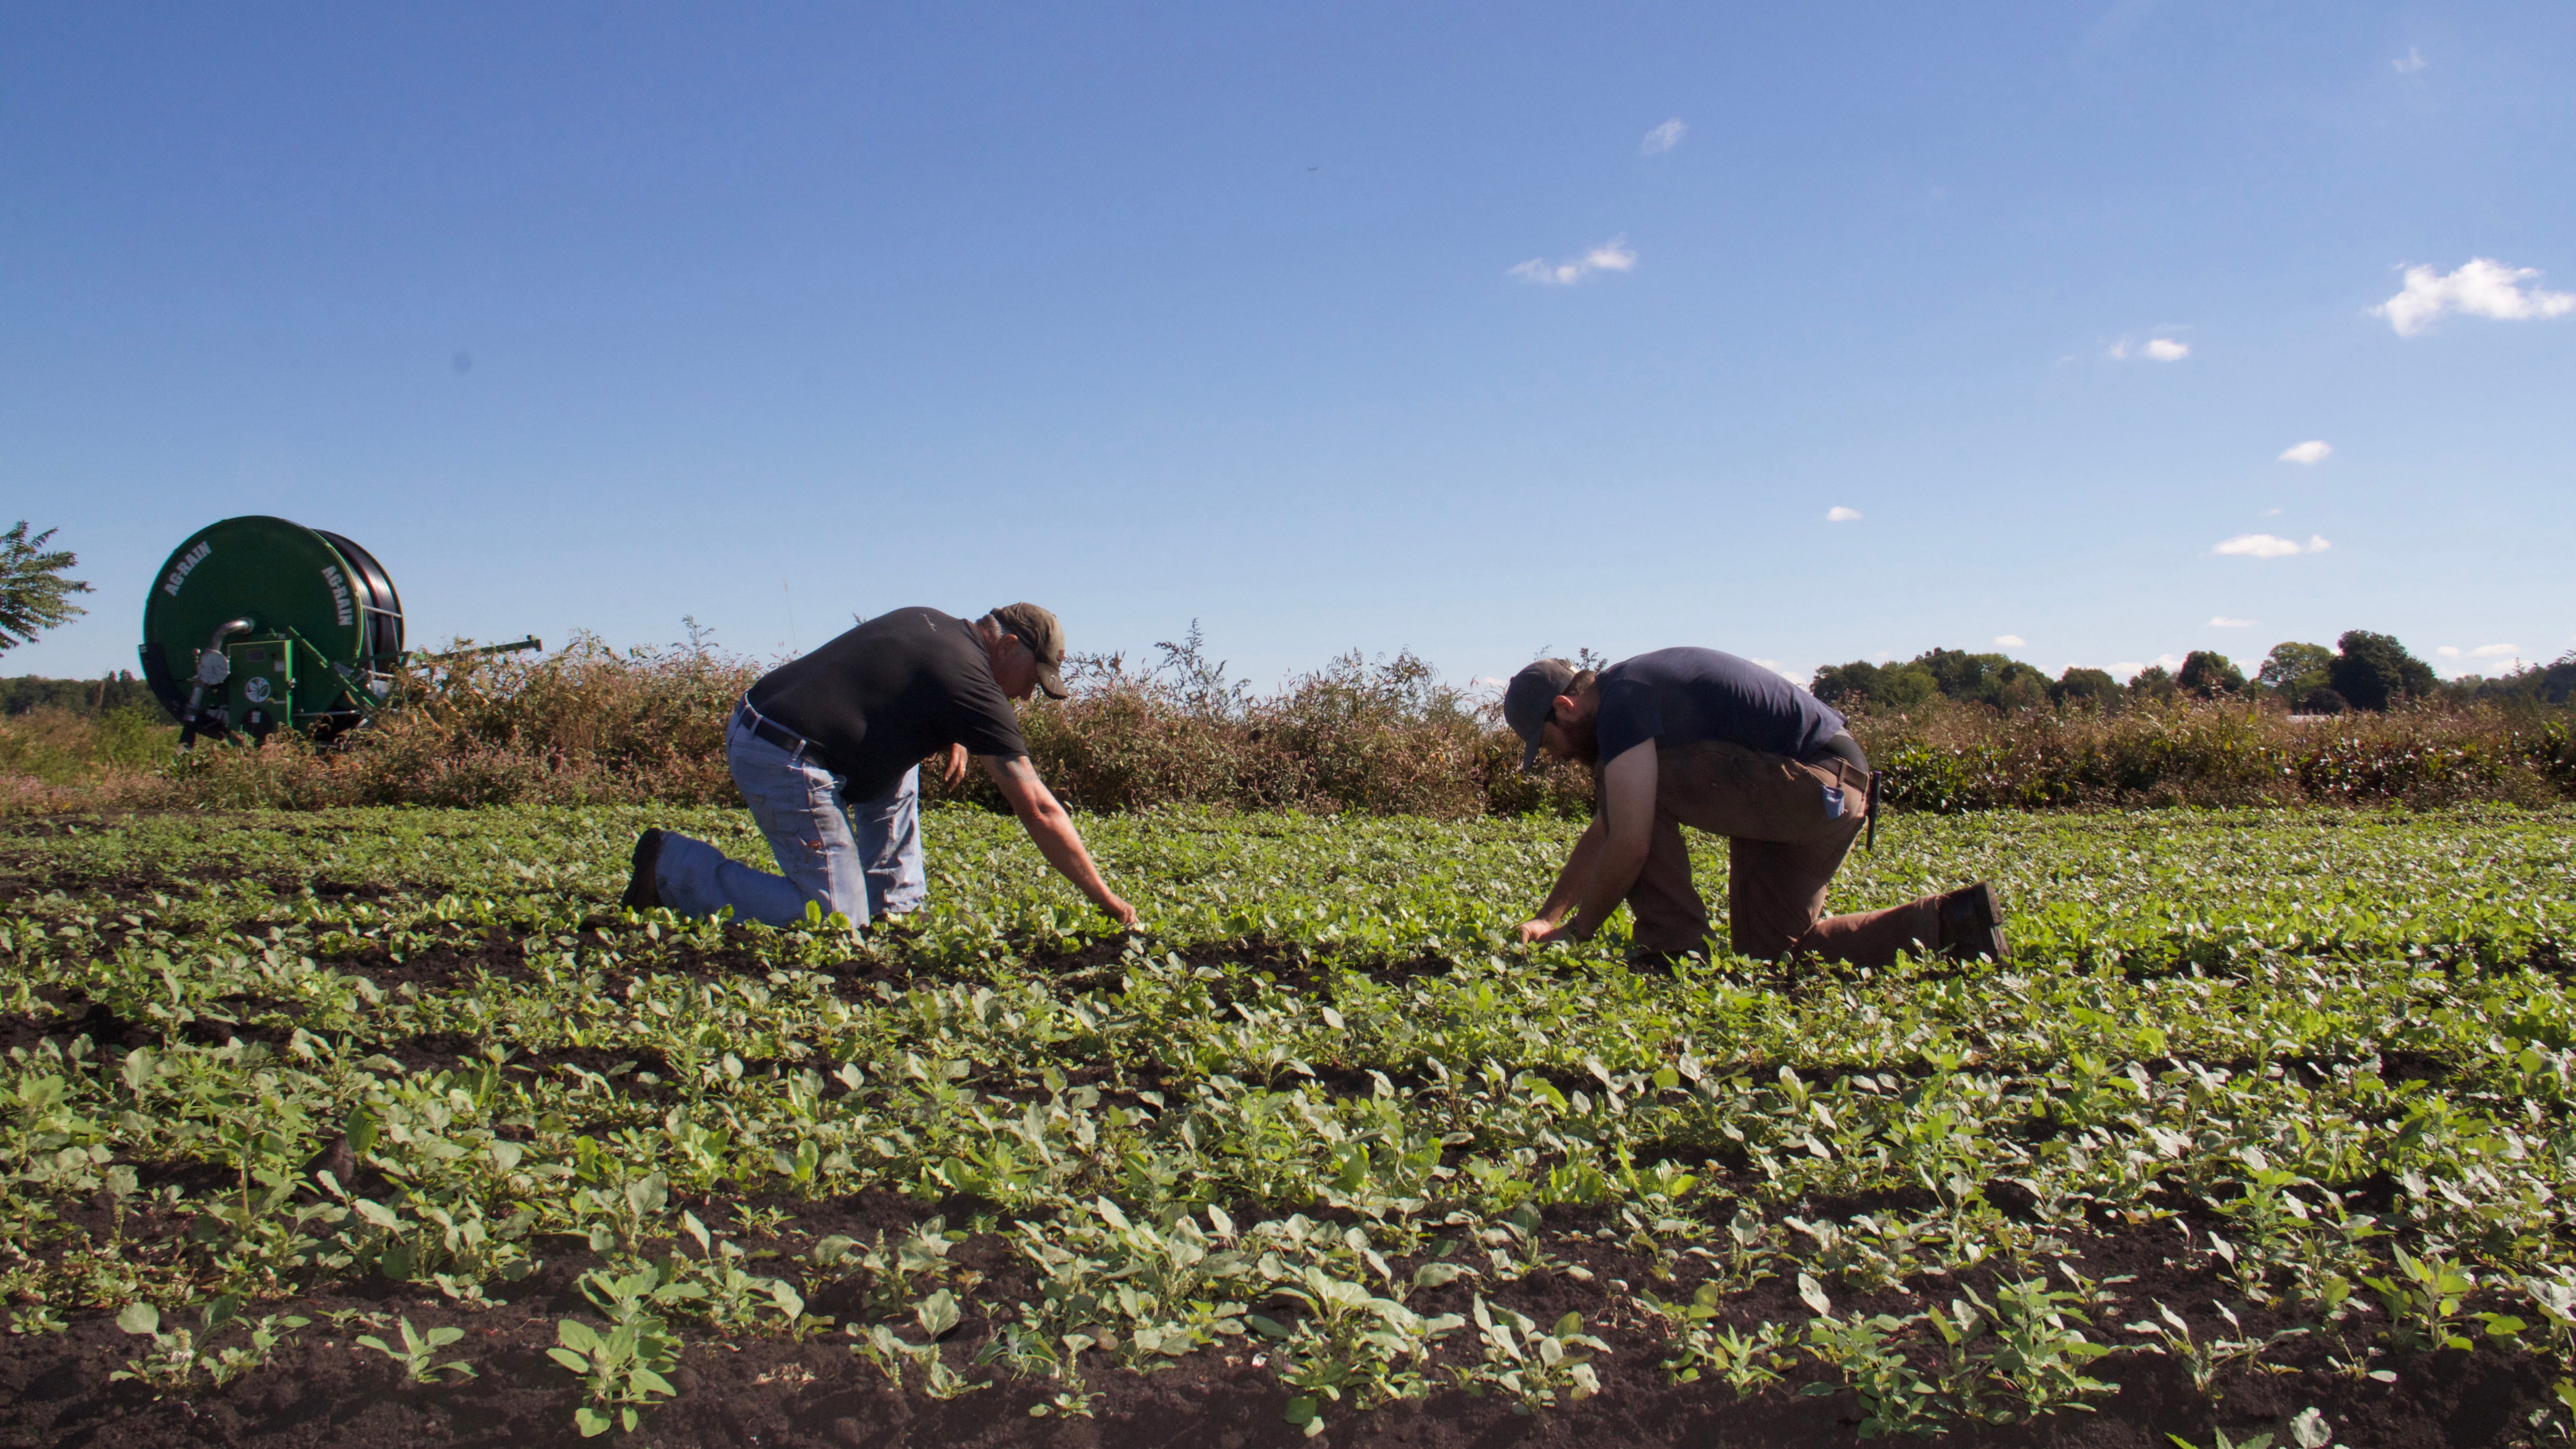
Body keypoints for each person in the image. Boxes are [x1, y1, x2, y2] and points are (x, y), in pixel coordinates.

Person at [622, 603, 1136, 931]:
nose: (1027, 694)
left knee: (907, 752)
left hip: (772, 721)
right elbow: (1039, 808)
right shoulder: (972, 682)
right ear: (1006, 645)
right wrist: (1108, 901)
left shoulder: (933, 625)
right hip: (782, 753)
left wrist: (954, 733)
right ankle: (671, 867)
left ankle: (895, 910)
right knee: (834, 921)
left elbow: (903, 687)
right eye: (1032, 678)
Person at [1503, 649, 2003, 966]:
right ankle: (1950, 922)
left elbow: (1630, 839)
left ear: (1566, 708)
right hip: (1834, 792)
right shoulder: (1631, 699)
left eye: (1548, 744)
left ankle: (1673, 951)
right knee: (1772, 955)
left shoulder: (1624, 701)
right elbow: (1608, 829)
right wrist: (1551, 916)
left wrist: (1581, 931)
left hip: (1813, 780)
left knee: (1631, 797)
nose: (1557, 757)